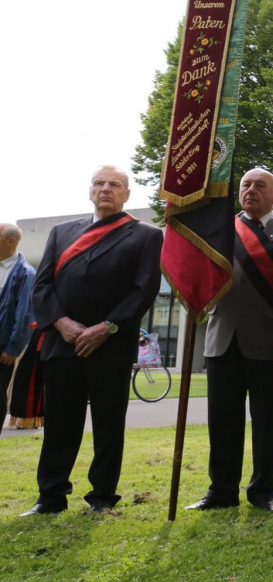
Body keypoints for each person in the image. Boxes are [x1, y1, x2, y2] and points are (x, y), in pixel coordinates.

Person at [24, 166, 162, 515]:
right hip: (63, 343)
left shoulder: (146, 235)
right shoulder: (62, 232)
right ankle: (50, 496)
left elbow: (143, 290)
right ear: (90, 191)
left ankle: (102, 496)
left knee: (108, 425)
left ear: (126, 194)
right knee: (59, 424)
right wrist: (62, 323)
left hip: (111, 345)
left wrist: (107, 327)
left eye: (114, 184)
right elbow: (42, 286)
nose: (106, 189)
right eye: (99, 183)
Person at [187, 168, 273, 512]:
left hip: (271, 344)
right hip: (222, 340)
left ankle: (263, 492)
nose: (251, 190)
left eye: (260, 185)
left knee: (267, 423)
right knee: (222, 420)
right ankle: (221, 491)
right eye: (246, 185)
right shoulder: (220, 232)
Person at [0, 223, 37, 436]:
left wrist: (12, 349)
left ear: (10, 241)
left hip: (3, 348)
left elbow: (25, 315)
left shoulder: (25, 273)